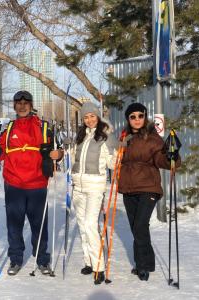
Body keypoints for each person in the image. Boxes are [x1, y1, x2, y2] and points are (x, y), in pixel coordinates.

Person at [0, 90, 63, 276]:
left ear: (31, 104)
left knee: (39, 225)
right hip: (14, 184)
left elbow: (58, 150)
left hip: (37, 184)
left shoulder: (43, 127)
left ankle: (42, 260)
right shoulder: (9, 129)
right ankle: (16, 259)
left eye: (26, 102)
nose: (23, 105)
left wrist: (58, 155)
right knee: (14, 226)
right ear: (14, 106)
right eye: (19, 103)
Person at [119, 102, 181, 281]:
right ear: (128, 120)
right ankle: (147, 261)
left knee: (139, 225)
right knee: (136, 228)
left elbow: (161, 158)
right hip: (128, 189)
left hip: (148, 187)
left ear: (145, 117)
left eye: (140, 116)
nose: (137, 120)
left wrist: (172, 157)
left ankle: (143, 265)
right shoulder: (125, 138)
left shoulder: (153, 138)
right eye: (133, 117)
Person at [71, 102, 118, 284]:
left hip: (95, 187)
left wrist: (117, 155)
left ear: (98, 116)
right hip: (78, 186)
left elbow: (112, 164)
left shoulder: (105, 136)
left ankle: (99, 267)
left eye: (92, 116)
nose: (89, 120)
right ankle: (89, 261)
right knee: (83, 225)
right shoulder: (81, 136)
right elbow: (75, 157)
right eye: (86, 117)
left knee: (91, 224)